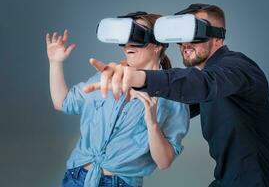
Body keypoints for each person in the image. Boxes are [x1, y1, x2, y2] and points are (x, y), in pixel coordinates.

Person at [84, 4, 269, 187]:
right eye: (180, 35)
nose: (185, 43)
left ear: (218, 38)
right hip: (225, 179)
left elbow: (201, 84)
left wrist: (140, 77)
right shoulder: (206, 81)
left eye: (195, 34)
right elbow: (178, 101)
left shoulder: (237, 67)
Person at [46, 12, 189, 187]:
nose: (128, 44)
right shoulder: (106, 77)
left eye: (136, 36)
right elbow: (63, 102)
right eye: (125, 36)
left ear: (157, 45)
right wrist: (55, 62)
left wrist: (152, 123)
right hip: (76, 176)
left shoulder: (172, 96)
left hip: (118, 183)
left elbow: (164, 162)